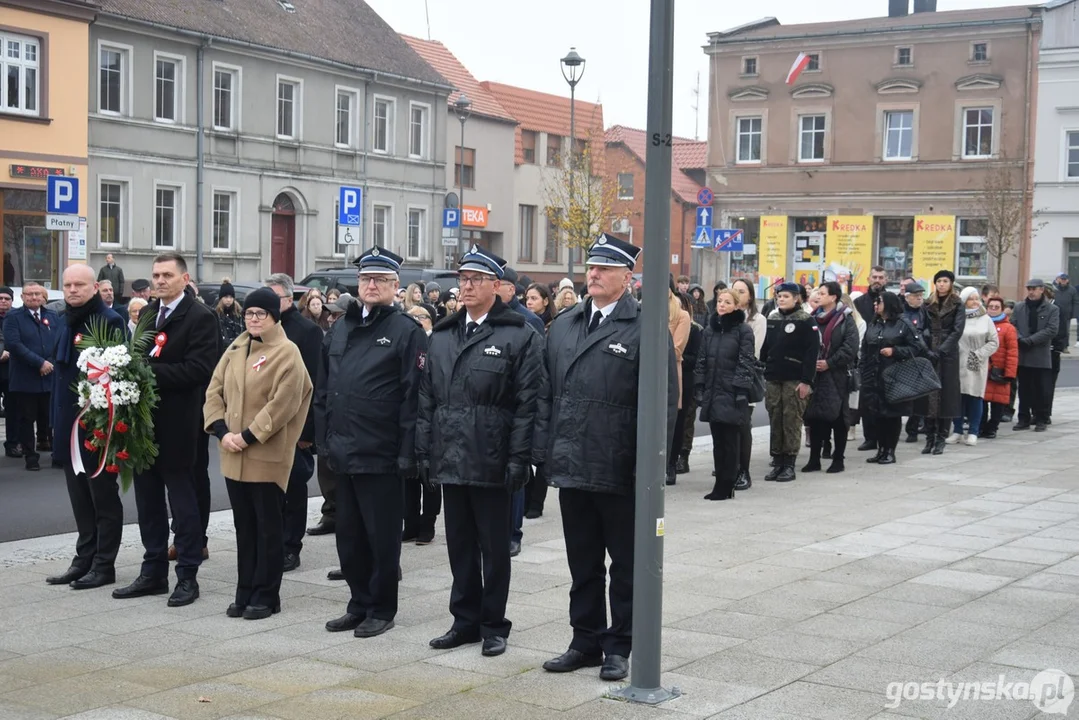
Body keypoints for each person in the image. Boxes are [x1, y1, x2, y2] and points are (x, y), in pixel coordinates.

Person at [537, 234, 675, 682]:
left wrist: (651, 467)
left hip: (620, 467)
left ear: (627, 277)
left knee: (627, 566)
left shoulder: (646, 326)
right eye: (590, 267)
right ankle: (585, 639)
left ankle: (620, 645)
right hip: (573, 464)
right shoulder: (565, 324)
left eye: (604, 269)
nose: (592, 275)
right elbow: (547, 395)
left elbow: (665, 405)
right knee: (583, 562)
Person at [416, 244, 545, 658]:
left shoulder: (518, 334)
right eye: (463, 279)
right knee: (459, 545)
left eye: (476, 279)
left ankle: (494, 624)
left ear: (496, 285)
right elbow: (427, 399)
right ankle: (464, 620)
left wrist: (519, 459)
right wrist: (424, 452)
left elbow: (528, 404)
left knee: (494, 548)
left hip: (492, 457)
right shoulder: (445, 333)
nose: (466, 286)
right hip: (451, 457)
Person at [315, 246, 426, 637]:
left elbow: (413, 396)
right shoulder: (341, 327)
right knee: (349, 536)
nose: (372, 285)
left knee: (381, 539)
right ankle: (358, 602)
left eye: (380, 279)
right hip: (343, 451)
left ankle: (381, 608)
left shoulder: (405, 331)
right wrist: (322, 439)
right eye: (366, 279)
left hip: (381, 453)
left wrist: (408, 452)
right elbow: (324, 389)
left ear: (397, 286)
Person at [112, 253, 218, 608]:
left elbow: (200, 370)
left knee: (183, 503)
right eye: (156, 275)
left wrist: (145, 373)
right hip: (144, 425)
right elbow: (136, 356)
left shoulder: (201, 317)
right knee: (148, 500)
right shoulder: (147, 315)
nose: (159, 281)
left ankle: (187, 575)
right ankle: (153, 570)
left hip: (181, 425)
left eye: (167, 275)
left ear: (184, 279)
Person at [204, 288, 312, 620]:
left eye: (260, 314)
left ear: (273, 316)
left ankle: (267, 595)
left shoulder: (287, 352)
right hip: (233, 453)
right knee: (244, 526)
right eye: (249, 313)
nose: (253, 319)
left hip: (266, 454)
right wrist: (222, 432)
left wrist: (248, 436)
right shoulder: (235, 347)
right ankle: (245, 590)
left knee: (268, 527)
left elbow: (283, 404)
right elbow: (214, 391)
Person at [44, 265, 126, 590]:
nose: (73, 289)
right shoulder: (65, 320)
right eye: (67, 284)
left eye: (79, 284)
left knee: (102, 498)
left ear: (95, 287)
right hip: (68, 425)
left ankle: (104, 565)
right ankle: (83, 560)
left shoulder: (109, 320)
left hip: (96, 429)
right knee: (79, 499)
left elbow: (117, 376)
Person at [262, 274, 322, 573]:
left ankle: (290, 546)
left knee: (293, 490)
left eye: (273, 298)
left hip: (293, 425)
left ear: (287, 299)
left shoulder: (306, 331)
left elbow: (313, 383)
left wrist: (307, 431)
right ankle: (270, 542)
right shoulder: (259, 329)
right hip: (262, 424)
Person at [694, 288, 756, 500]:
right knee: (717, 442)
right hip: (713, 391)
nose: (721, 305)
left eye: (727, 302)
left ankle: (726, 485)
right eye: (720, 301)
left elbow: (746, 362)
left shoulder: (743, 331)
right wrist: (700, 387)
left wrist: (740, 390)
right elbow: (702, 360)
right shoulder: (710, 330)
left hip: (731, 393)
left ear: (736, 306)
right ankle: (719, 483)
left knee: (730, 443)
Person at [760, 282, 820, 482]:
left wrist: (806, 381)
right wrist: (764, 369)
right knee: (775, 417)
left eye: (786, 296)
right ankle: (777, 461)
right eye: (779, 296)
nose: (781, 299)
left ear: (797, 298)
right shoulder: (774, 318)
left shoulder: (806, 320)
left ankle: (789, 464)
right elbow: (766, 348)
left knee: (791, 420)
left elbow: (812, 354)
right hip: (774, 376)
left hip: (794, 378)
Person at [861, 292, 929, 464]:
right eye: (875, 302)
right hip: (873, 375)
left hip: (894, 375)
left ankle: (890, 451)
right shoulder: (874, 322)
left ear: (889, 303)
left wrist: (895, 351)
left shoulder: (903, 323)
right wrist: (863, 369)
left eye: (880, 302)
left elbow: (917, 347)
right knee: (876, 414)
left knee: (891, 414)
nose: (876, 305)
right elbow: (865, 347)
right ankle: (880, 449)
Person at [802, 282, 859, 474]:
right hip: (815, 376)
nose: (818, 296)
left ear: (833, 297)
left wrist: (830, 363)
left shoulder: (845, 318)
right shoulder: (812, 317)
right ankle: (814, 459)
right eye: (817, 293)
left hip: (837, 376)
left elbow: (850, 347)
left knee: (839, 419)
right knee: (815, 418)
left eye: (822, 293)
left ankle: (838, 459)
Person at [3, 283, 59, 471]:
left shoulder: (52, 316)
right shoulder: (13, 317)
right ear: (23, 297)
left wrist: (49, 362)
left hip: (49, 376)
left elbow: (58, 341)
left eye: (37, 294)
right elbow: (14, 344)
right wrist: (39, 363)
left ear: (44, 298)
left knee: (50, 418)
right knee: (27, 419)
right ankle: (31, 457)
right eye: (29, 294)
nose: (33, 297)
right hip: (25, 377)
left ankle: (56, 454)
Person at [921, 270, 965, 455]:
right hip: (929, 350)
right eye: (939, 281)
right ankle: (929, 437)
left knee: (946, 394)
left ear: (951, 283)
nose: (941, 284)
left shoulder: (957, 304)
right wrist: (927, 348)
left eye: (945, 281)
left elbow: (957, 330)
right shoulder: (927, 303)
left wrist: (942, 349)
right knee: (928, 394)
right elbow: (921, 328)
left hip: (948, 354)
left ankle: (941, 437)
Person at [729, 278, 766, 490]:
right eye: (734, 290)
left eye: (741, 291)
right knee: (726, 425)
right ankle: (729, 466)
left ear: (750, 296)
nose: (737, 294)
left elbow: (753, 351)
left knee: (743, 426)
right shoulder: (723, 317)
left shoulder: (756, 320)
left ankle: (744, 470)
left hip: (744, 378)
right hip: (724, 378)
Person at [950, 287, 998, 446]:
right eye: (971, 299)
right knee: (958, 397)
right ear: (964, 301)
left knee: (975, 396)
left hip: (977, 363)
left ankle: (973, 431)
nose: (975, 302)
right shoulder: (957, 317)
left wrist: (979, 354)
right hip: (959, 362)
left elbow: (993, 341)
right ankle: (957, 431)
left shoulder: (986, 319)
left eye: (977, 298)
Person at [1011, 279, 1060, 432]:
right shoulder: (1019, 307)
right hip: (1023, 353)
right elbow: (1013, 325)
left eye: (1034, 289)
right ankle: (1023, 418)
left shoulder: (1052, 309)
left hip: (1040, 354)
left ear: (1041, 290)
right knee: (1024, 388)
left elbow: (1052, 330)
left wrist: (1031, 340)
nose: (1031, 292)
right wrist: (1020, 338)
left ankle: (1041, 418)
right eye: (1029, 288)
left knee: (1042, 389)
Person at [981, 296, 1018, 439]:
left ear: (1002, 309)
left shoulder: (1009, 328)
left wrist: (1010, 373)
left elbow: (1012, 353)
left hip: (999, 371)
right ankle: (981, 426)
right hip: (984, 370)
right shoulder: (982, 324)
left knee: (998, 402)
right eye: (991, 307)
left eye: (997, 307)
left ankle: (992, 428)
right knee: (982, 401)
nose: (993, 309)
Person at [666, 281, 691, 486]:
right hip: (643, 374)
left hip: (670, 373)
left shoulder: (681, 315)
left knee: (673, 422)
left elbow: (676, 349)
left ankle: (670, 464)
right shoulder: (642, 309)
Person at [901, 282, 930, 443]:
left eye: (921, 296)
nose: (919, 299)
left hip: (919, 355)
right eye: (916, 296)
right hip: (904, 355)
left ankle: (913, 428)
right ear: (907, 297)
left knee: (919, 395)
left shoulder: (924, 312)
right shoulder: (901, 312)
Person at [0, 285, 18, 458]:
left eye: (7, 299)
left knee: (13, 409)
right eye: (0, 298)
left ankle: (12, 444)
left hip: (12, 371)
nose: (3, 301)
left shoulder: (17, 317)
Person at [1052, 273, 1078, 352]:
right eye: (1062, 279)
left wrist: (1074, 314)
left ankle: (1065, 347)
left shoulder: (1072, 290)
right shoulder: (1054, 289)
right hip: (1055, 313)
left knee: (1066, 331)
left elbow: (1076, 302)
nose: (1063, 281)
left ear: (1067, 280)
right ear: (1059, 279)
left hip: (1067, 314)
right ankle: (1054, 345)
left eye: (1065, 280)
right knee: (1054, 329)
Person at [215, 280, 244, 346]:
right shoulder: (216, 315)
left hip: (238, 348)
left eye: (231, 297)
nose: (229, 300)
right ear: (221, 298)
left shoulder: (239, 314)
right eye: (226, 297)